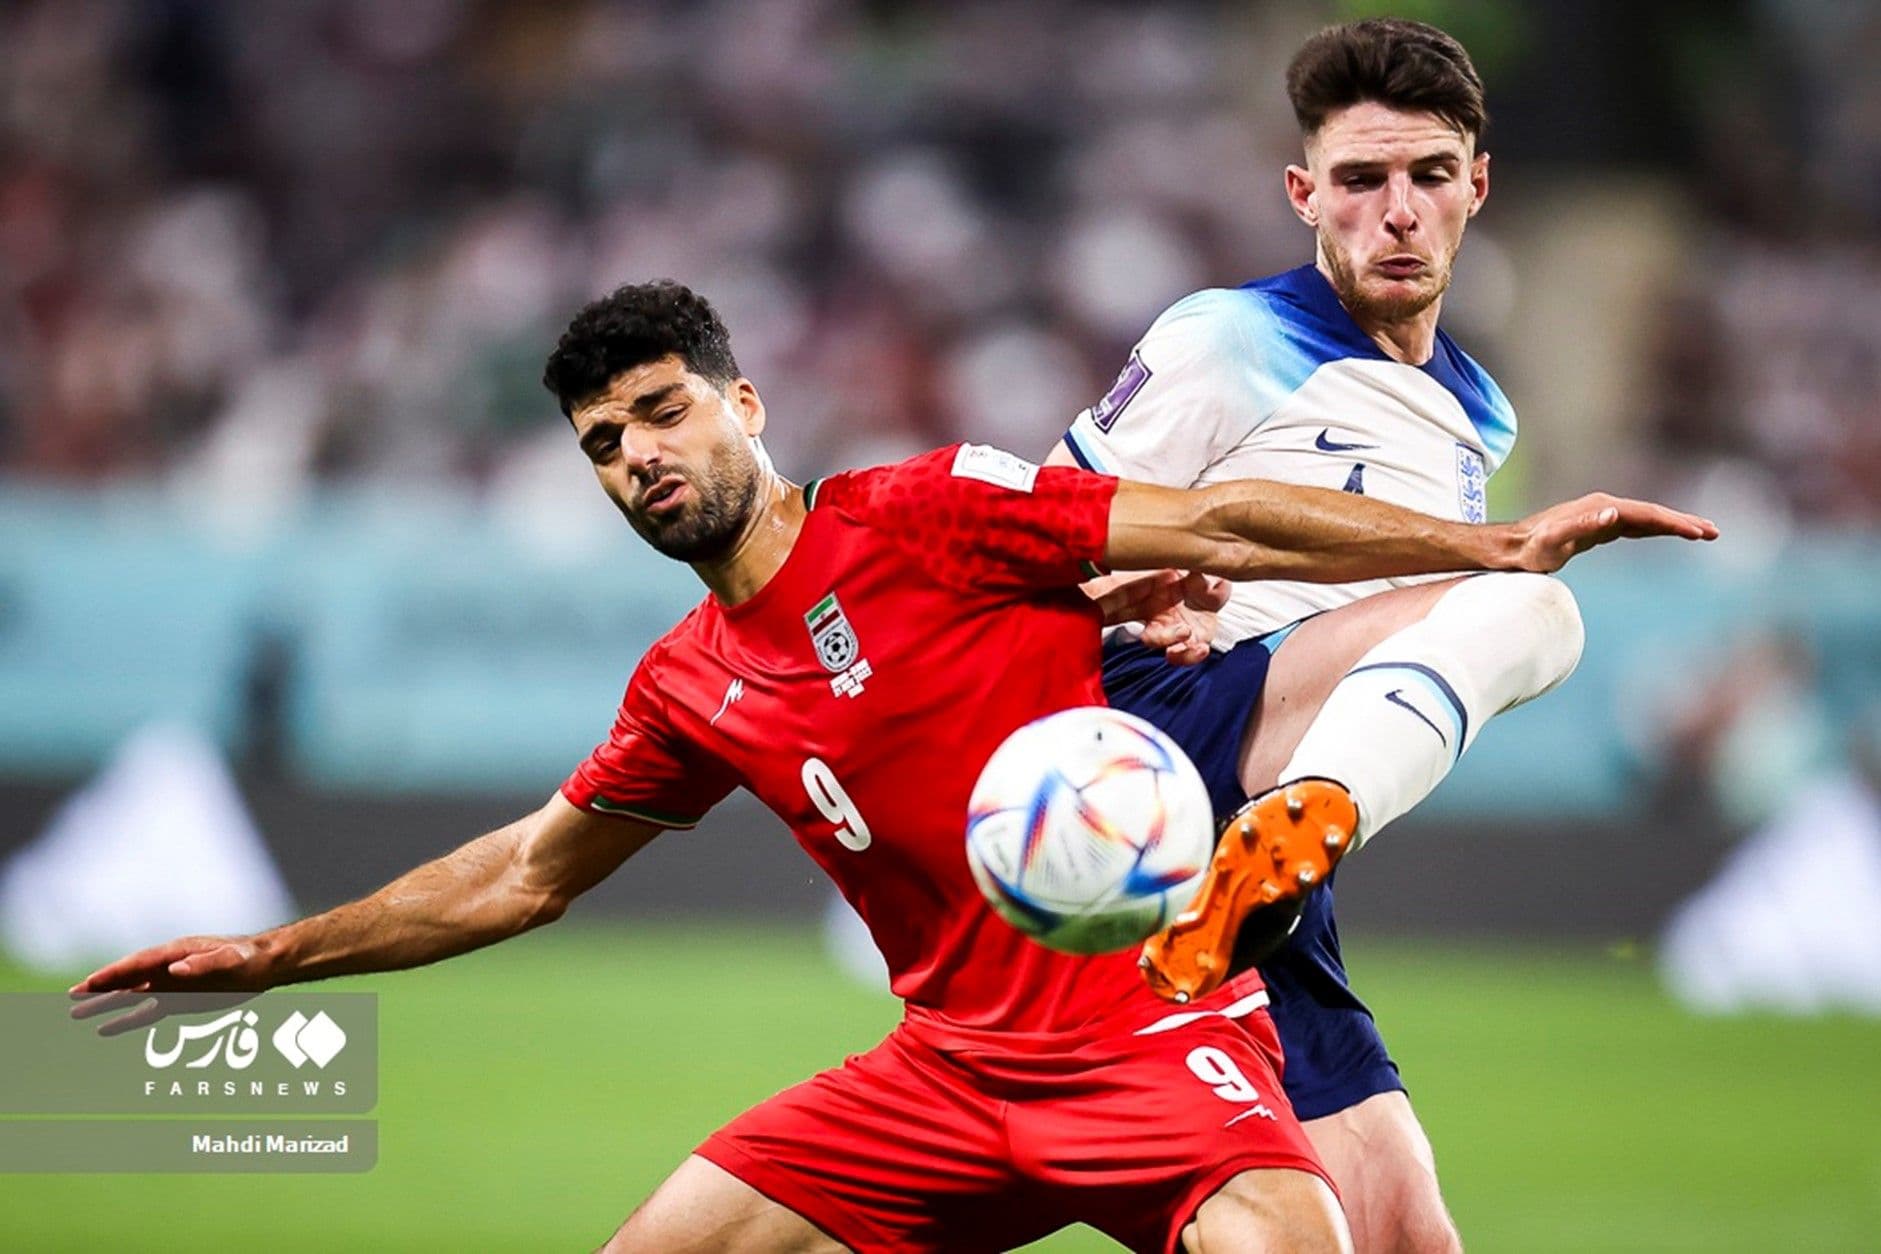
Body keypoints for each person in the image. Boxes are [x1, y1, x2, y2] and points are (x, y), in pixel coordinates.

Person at [71, 282, 1712, 1253]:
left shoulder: (922, 510)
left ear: (743, 402)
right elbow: (523, 870)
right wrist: (276, 954)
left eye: (661, 412)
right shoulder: (691, 682)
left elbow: (1209, 517)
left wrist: (1481, 539)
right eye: (602, 443)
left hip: (1151, 1022)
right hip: (946, 1072)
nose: (640, 456)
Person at [1050, 18, 1593, 1253]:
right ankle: (1284, 841)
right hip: (1162, 734)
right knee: (1531, 602)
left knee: (1404, 1233)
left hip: (1267, 864)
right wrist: (1139, 592)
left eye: (1428, 177)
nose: (1396, 212)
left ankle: (1271, 870)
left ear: (1477, 187)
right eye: (1360, 180)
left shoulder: (1478, 413)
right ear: (1306, 195)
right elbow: (1039, 543)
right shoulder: (1223, 340)